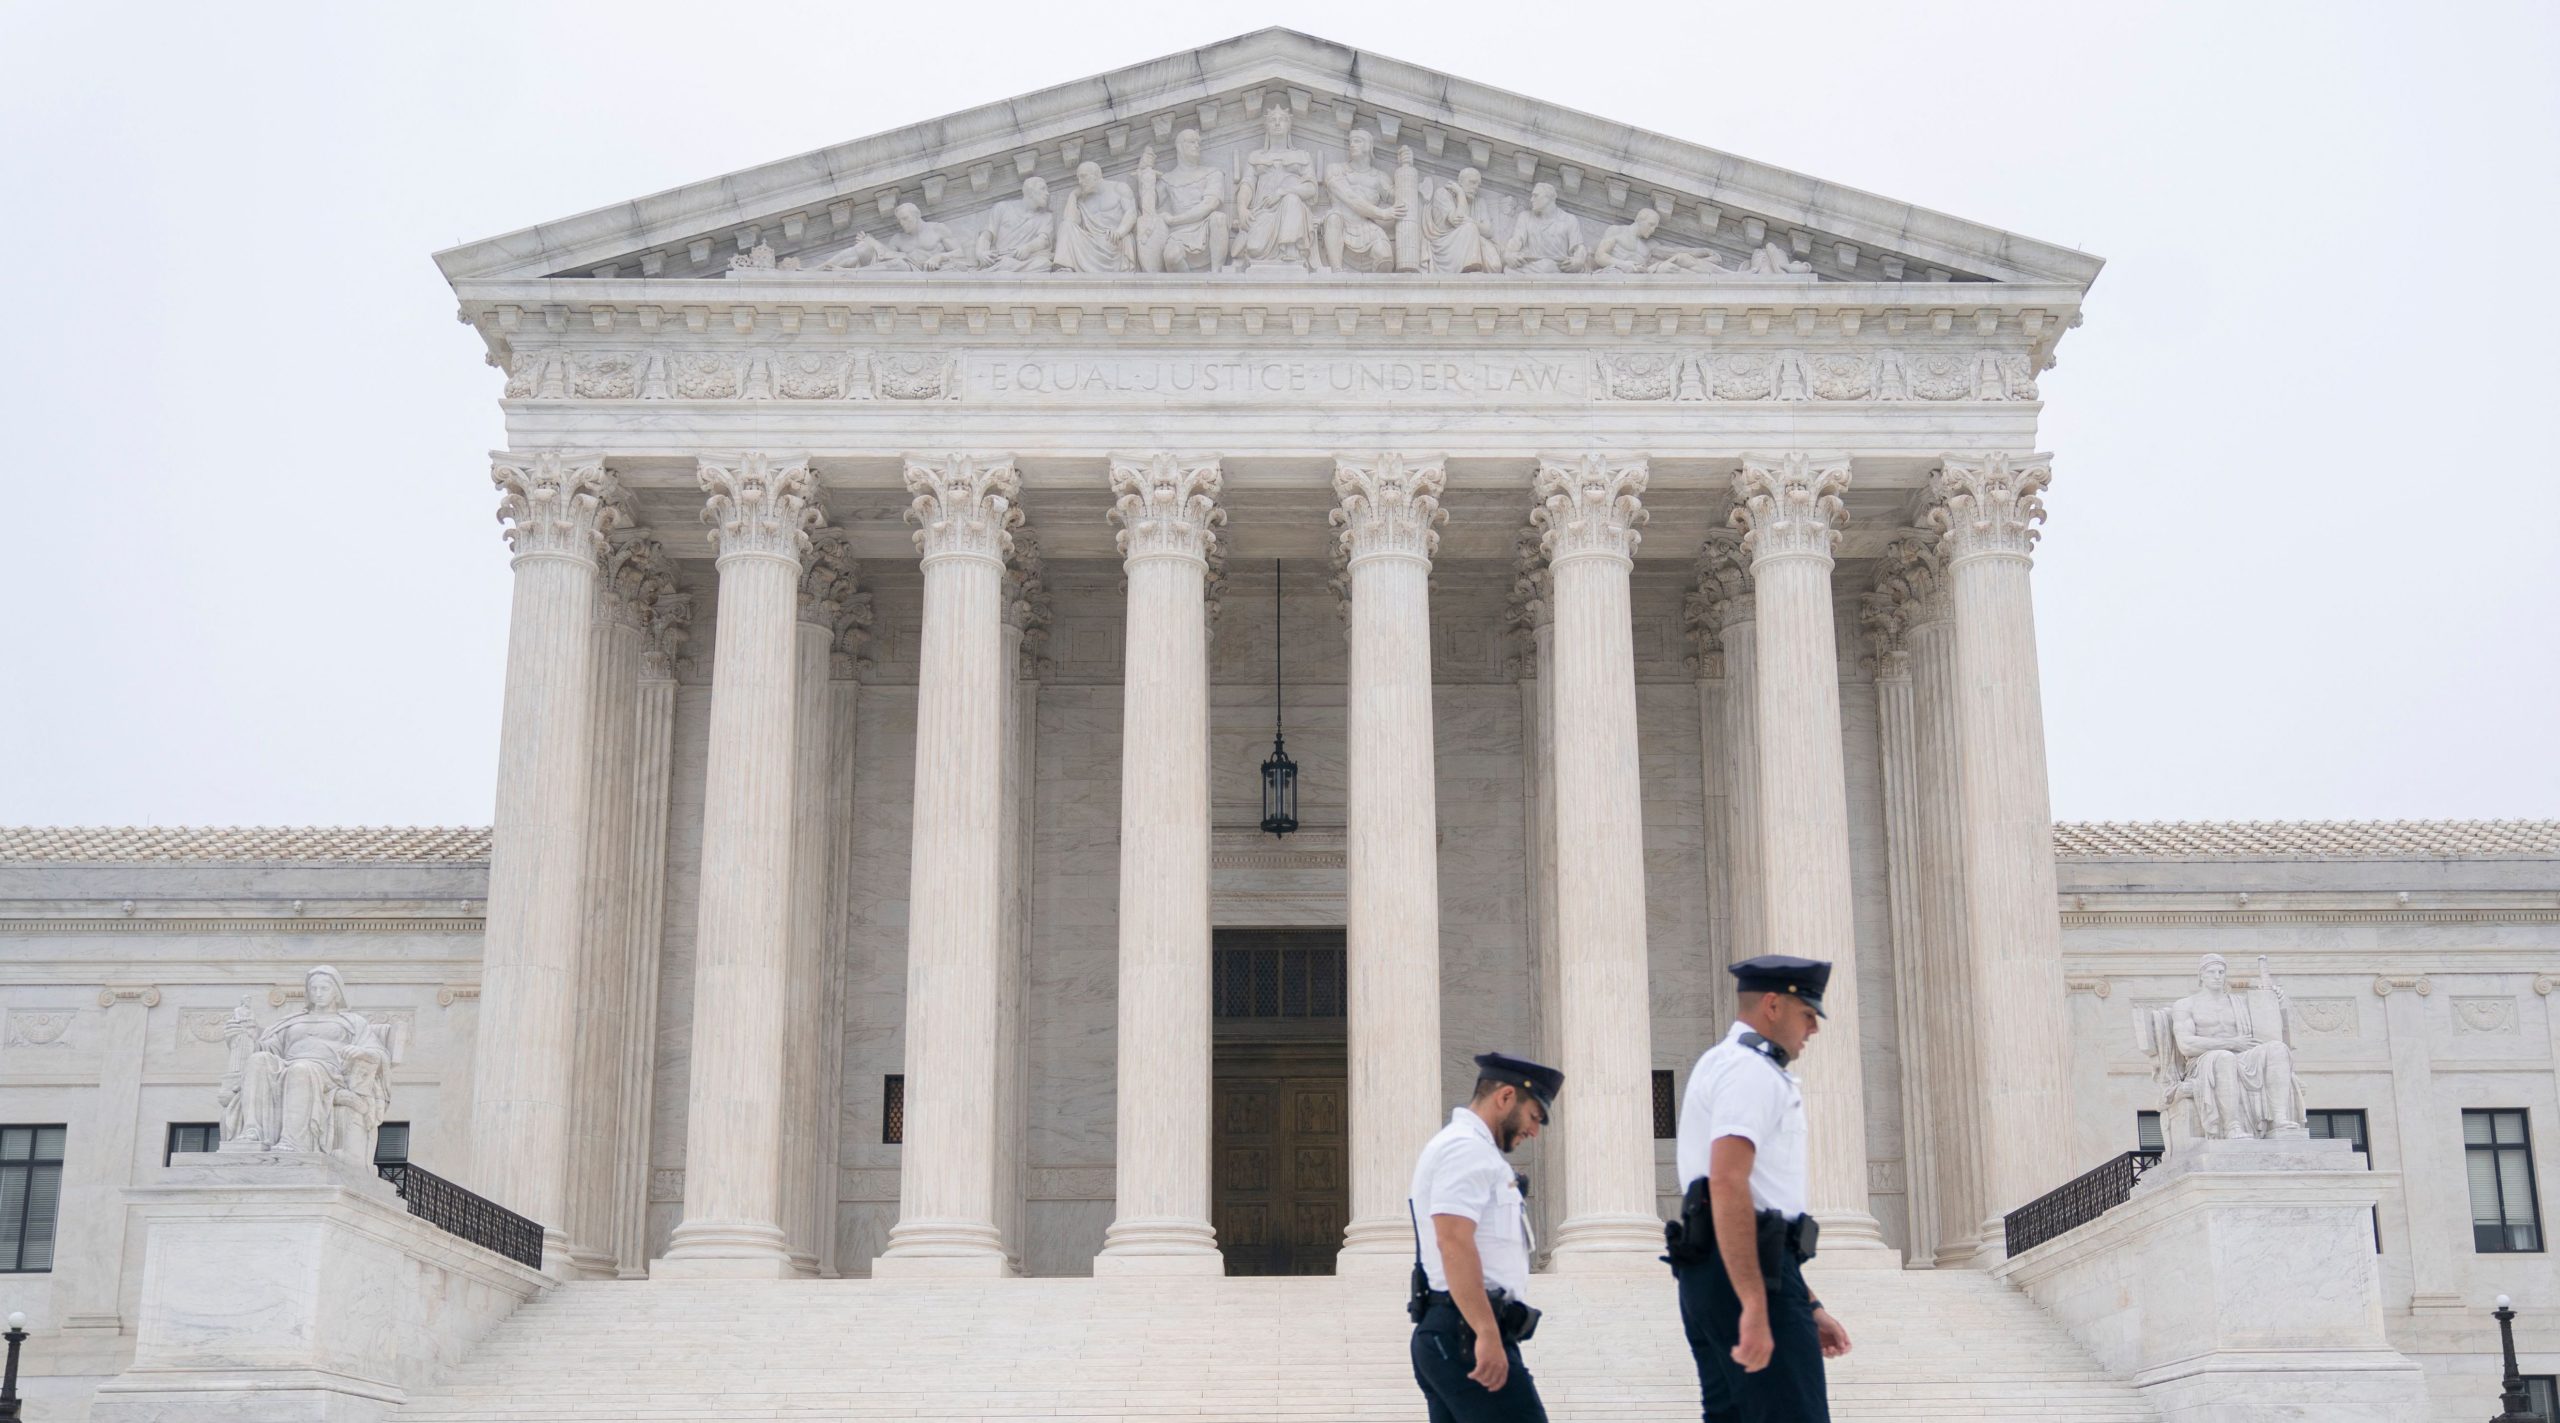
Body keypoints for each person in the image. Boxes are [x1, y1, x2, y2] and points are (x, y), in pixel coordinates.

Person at [1667, 956, 1852, 1423]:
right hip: (1746, 1275)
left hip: (1723, 1265)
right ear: (1773, 1005)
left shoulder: (1721, 1063)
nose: (1813, 1029)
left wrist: (1808, 1302)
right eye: (1807, 1014)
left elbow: (1760, 1210)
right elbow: (1728, 1182)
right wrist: (1755, 1303)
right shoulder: (1749, 1070)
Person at [1408, 1052, 1562, 1423]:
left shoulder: (1469, 1148)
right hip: (1464, 1332)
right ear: (1506, 1097)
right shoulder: (1466, 1149)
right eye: (1534, 1117)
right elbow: (1454, 1241)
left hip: (1456, 1330)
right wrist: (1486, 1332)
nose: (1534, 1131)